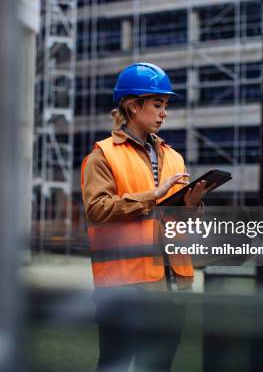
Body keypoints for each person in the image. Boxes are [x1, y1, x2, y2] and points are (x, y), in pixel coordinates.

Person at [81, 62, 208, 371]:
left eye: (165, 105)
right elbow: (98, 210)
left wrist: (191, 206)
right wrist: (152, 195)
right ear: (133, 105)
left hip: (171, 287)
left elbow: (180, 221)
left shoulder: (174, 156)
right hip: (124, 287)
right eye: (157, 104)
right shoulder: (102, 156)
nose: (164, 112)